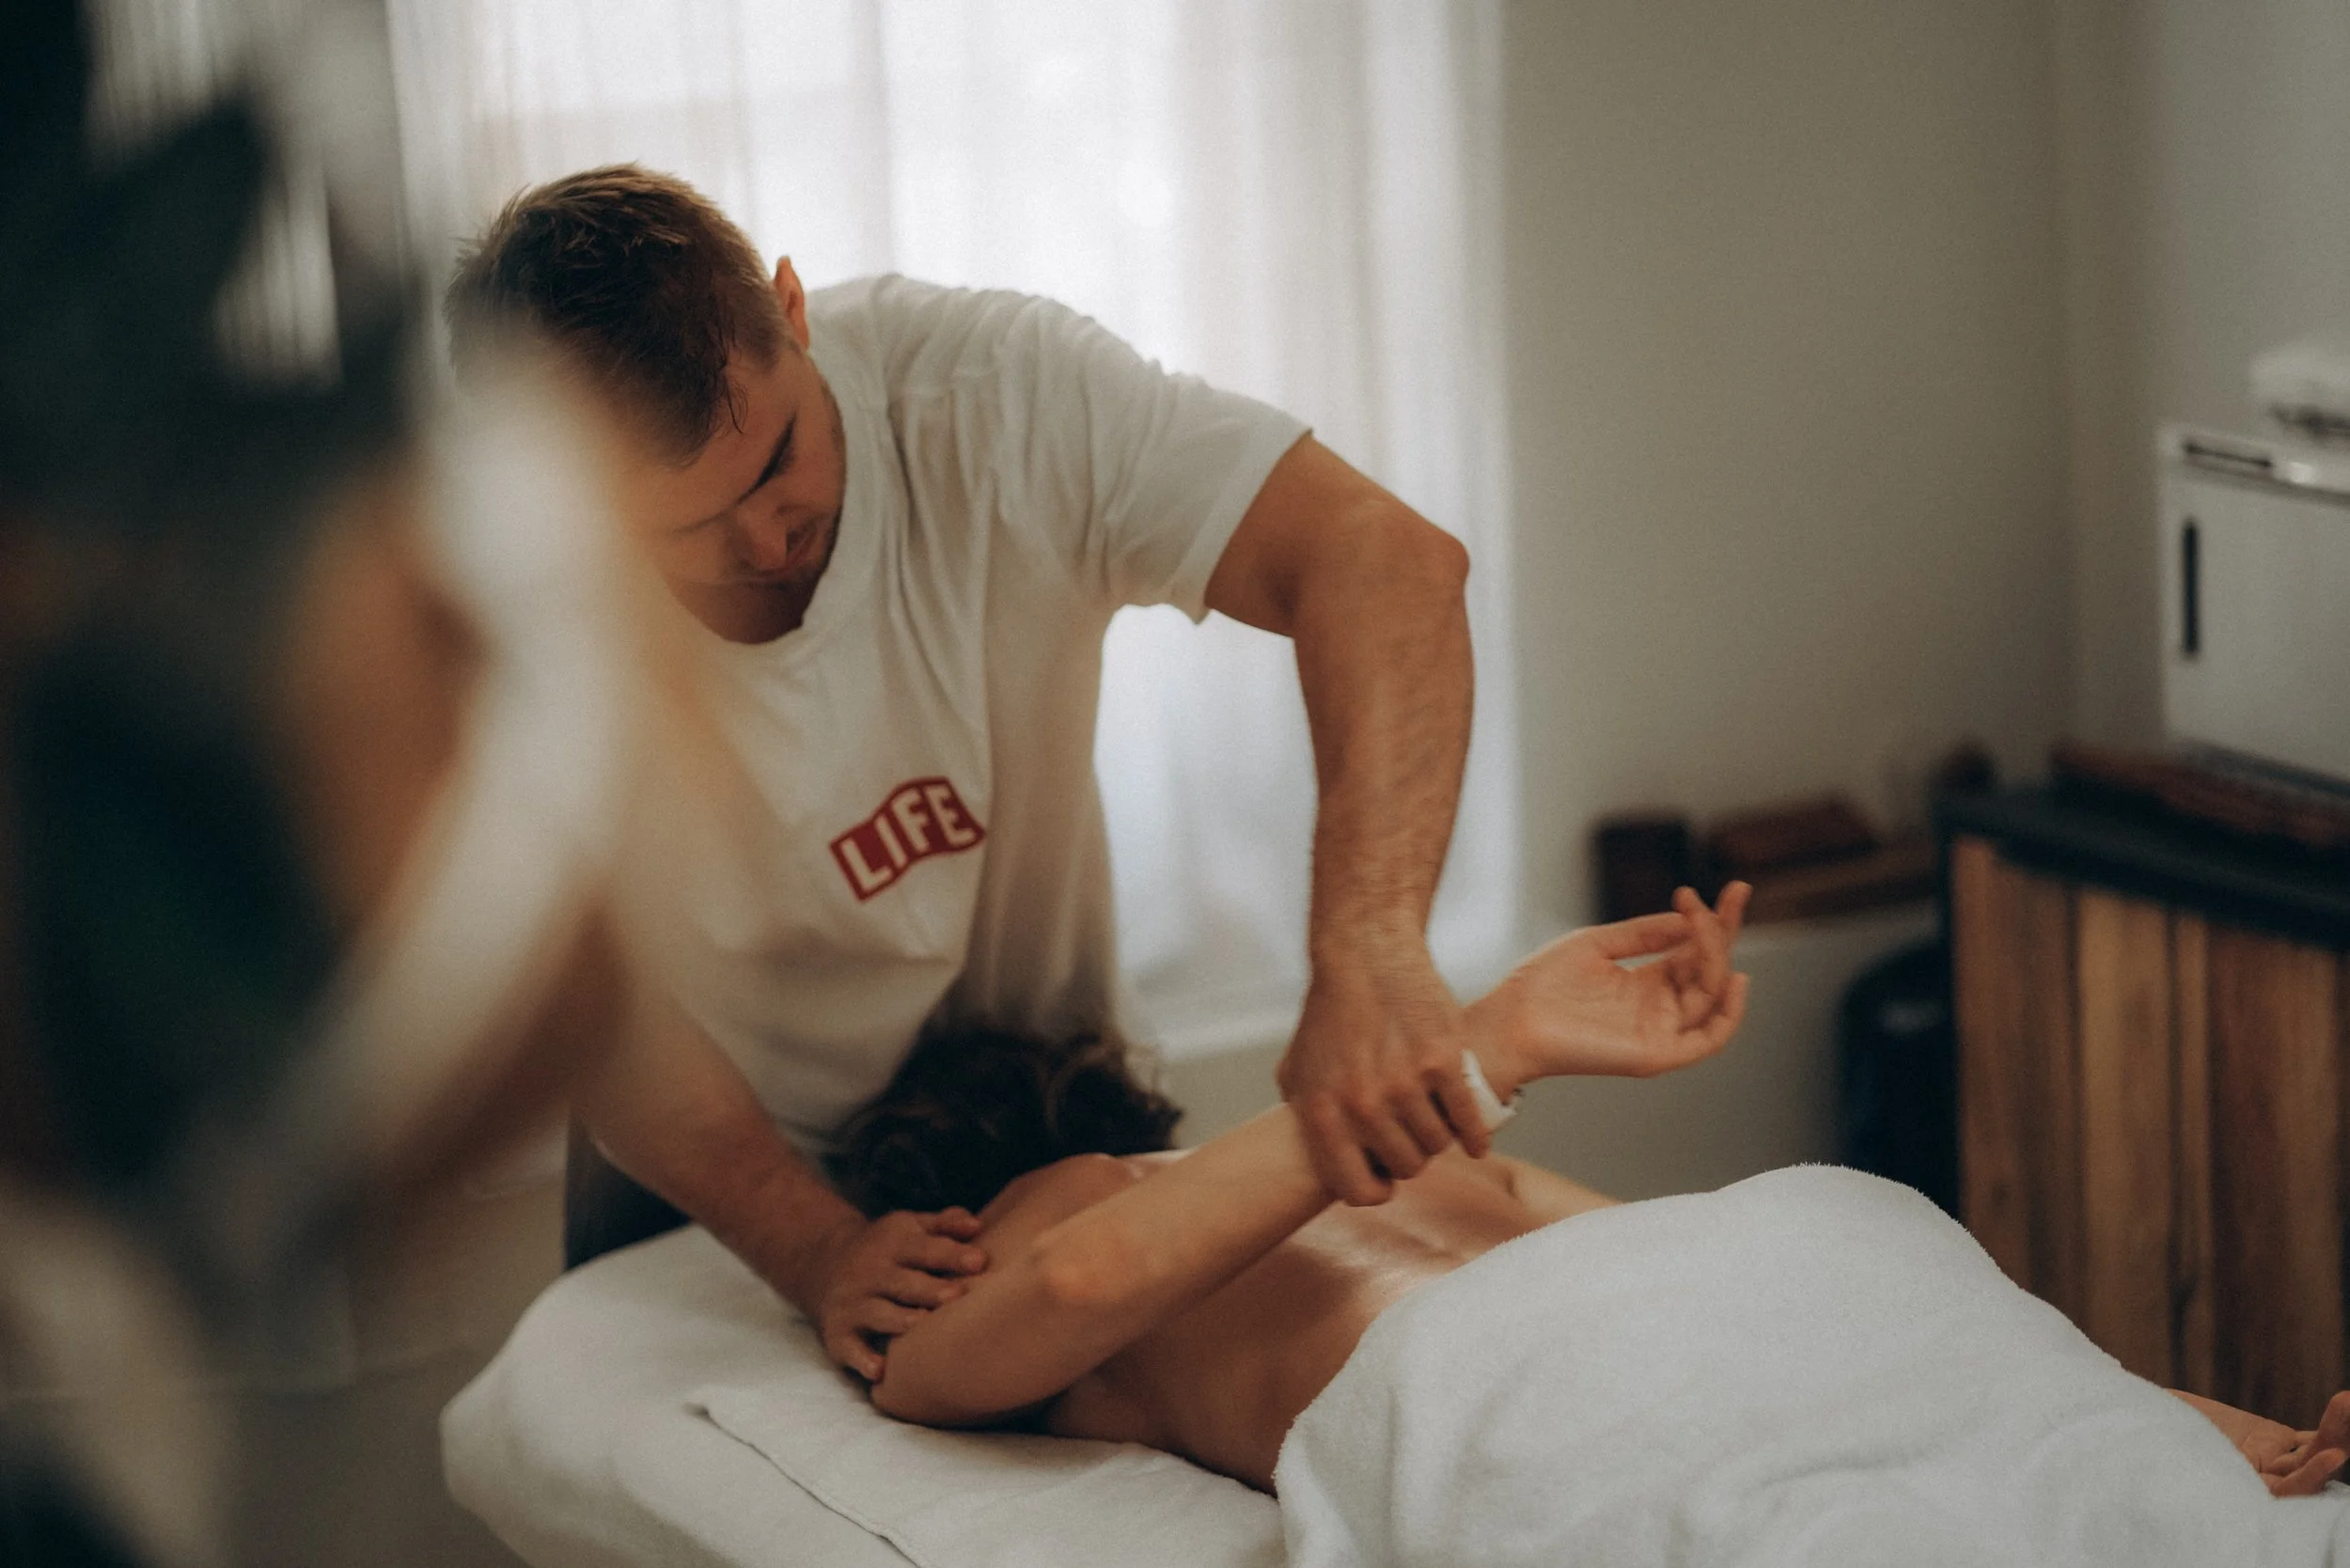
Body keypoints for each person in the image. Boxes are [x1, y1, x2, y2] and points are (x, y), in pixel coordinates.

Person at [446, 165, 1494, 1381]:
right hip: (713, 1172)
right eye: (679, 529)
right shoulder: (522, 603)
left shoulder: (996, 398)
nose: (762, 542)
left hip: (1041, 1116)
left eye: (778, 459)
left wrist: (1367, 944)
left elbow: (1384, 563)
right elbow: (583, 999)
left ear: (790, 309)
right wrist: (812, 1248)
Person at [838, 883, 2350, 1531]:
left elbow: (1042, 1314)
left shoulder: (1073, 1208)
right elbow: (1828, 1314)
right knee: (2070, 1471)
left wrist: (1479, 1049)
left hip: (1576, 1365)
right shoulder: (1421, 1153)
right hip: (1794, 1258)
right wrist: (2193, 1420)